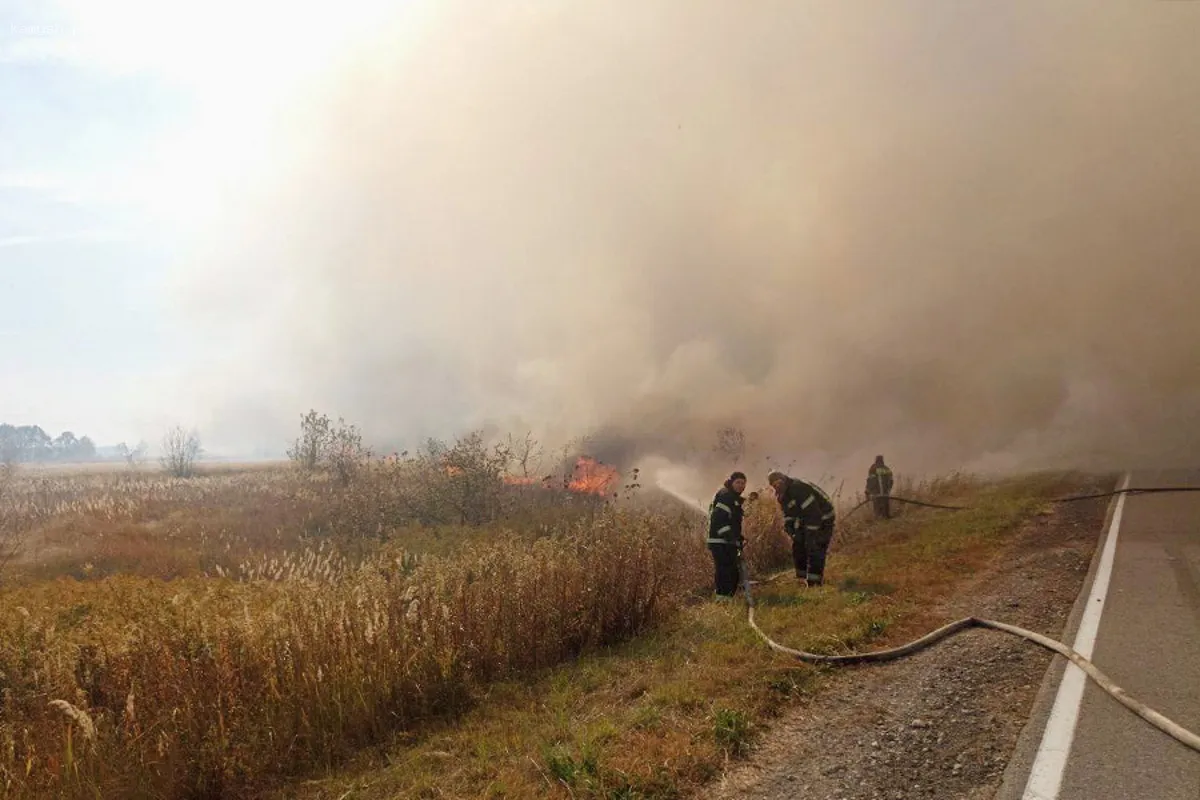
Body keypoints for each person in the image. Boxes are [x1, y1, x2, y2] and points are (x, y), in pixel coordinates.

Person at [767, 470, 836, 586]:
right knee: (798, 547)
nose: (777, 486)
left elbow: (813, 512)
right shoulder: (782, 495)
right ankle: (801, 579)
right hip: (806, 519)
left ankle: (814, 583)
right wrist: (792, 532)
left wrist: (810, 534)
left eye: (779, 482)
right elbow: (788, 515)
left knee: (815, 547)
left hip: (823, 519)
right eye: (774, 485)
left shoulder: (798, 488)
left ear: (784, 479)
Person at [707, 471, 747, 598]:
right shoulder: (726, 496)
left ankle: (727, 598)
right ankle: (722, 599)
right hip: (720, 542)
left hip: (726, 541)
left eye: (743, 483)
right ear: (731, 482)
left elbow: (731, 522)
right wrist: (731, 537)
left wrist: (738, 537)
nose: (741, 485)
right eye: (738, 482)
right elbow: (718, 519)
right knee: (725, 571)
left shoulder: (732, 498)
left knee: (731, 571)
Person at [866, 455, 895, 519]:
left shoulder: (873, 469)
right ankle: (886, 517)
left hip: (876, 494)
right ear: (882, 460)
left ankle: (879, 519)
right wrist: (888, 489)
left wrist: (867, 492)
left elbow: (871, 482)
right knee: (886, 509)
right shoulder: (887, 469)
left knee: (877, 511)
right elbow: (891, 481)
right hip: (885, 494)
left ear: (876, 460)